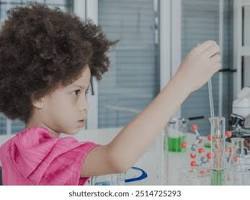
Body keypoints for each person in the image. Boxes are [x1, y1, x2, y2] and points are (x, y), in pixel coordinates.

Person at [0, 3, 221, 185]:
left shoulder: (13, 149)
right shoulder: (38, 153)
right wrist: (183, 83)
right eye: (75, 92)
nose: (84, 105)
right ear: (38, 96)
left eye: (86, 92)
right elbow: (116, 158)